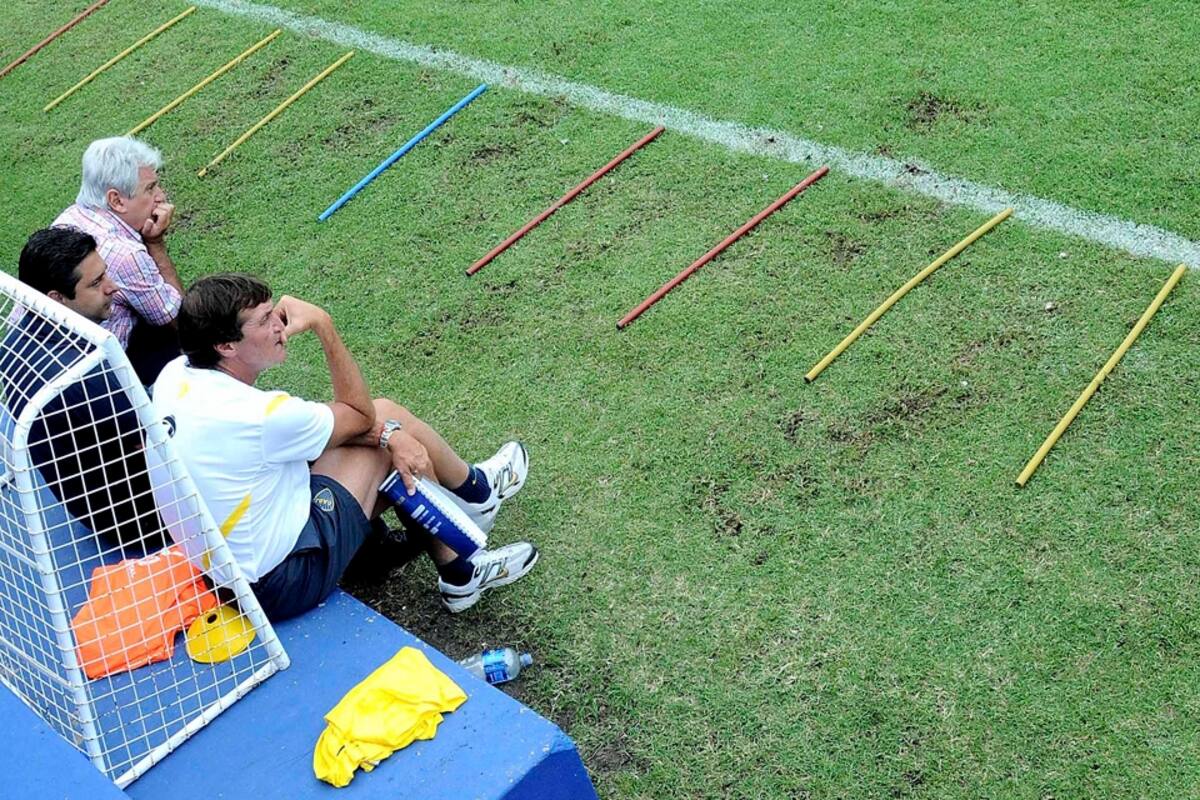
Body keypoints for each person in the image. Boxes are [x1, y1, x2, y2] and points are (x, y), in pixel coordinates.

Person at [152, 274, 537, 620]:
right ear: (225, 346)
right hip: (278, 582)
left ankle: (476, 492)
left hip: (225, 570)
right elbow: (359, 413)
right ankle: (462, 571)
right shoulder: (260, 416)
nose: (280, 325)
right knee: (386, 441)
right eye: (264, 320)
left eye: (274, 313)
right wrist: (323, 324)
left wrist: (387, 433)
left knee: (385, 430)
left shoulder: (176, 373)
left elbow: (320, 430)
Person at [0, 227, 165, 551]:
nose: (112, 287)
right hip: (143, 521)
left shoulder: (15, 344)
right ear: (56, 299)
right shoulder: (89, 375)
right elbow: (165, 433)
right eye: (95, 283)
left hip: (94, 498)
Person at [53, 136, 182, 384]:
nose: (161, 196)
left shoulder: (69, 218)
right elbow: (178, 320)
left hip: (54, 364)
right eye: (150, 188)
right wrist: (155, 244)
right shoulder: (125, 254)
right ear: (116, 200)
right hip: (100, 382)